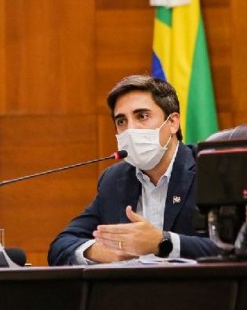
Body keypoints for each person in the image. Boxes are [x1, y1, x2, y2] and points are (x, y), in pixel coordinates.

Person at [47, 74, 221, 265]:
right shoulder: (115, 180)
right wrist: (98, 252)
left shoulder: (211, 169)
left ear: (172, 122)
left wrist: (163, 242)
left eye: (142, 116)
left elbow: (246, 246)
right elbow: (60, 246)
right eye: (121, 121)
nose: (131, 129)